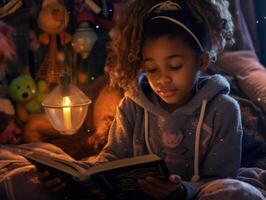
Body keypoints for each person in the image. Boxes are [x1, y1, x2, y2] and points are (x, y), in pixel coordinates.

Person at [38, 0, 265, 199]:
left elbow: (220, 178)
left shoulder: (224, 110)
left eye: (175, 66)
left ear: (202, 61)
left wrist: (183, 191)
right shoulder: (131, 105)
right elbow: (112, 157)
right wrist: (77, 181)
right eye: (152, 69)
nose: (162, 79)